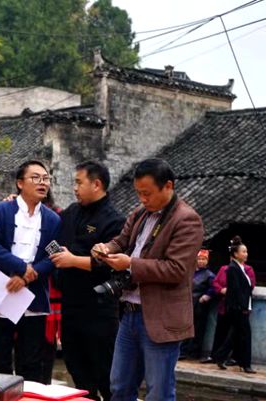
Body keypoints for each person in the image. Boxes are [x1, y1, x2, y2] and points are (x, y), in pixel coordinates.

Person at [92, 158, 204, 401]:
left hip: (161, 319)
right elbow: (121, 241)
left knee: (159, 392)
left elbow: (176, 269)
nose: (142, 199)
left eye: (147, 193)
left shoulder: (186, 219)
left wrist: (130, 264)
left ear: (168, 186)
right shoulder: (140, 213)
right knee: (119, 387)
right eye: (138, 193)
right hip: (130, 312)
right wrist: (105, 248)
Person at [48, 160, 125, 400]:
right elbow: (50, 232)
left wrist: (73, 260)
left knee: (106, 374)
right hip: (70, 306)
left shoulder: (114, 220)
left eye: (79, 182)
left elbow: (110, 262)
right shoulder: (71, 212)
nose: (75, 188)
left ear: (97, 184)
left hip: (99, 309)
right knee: (77, 371)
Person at [0, 159, 61, 383]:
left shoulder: (53, 220)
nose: (42, 183)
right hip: (2, 290)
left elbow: (54, 254)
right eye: (35, 178)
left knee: (32, 362)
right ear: (20, 183)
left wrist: (27, 277)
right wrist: (20, 268)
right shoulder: (0, 211)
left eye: (46, 179)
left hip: (33, 295)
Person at [212, 236, 256, 374]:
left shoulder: (242, 268)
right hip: (238, 308)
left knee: (235, 334)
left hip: (242, 306)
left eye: (246, 251)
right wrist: (243, 307)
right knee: (245, 335)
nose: (246, 254)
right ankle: (246, 364)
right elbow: (235, 291)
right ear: (236, 254)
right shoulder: (232, 269)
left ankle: (220, 356)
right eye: (243, 251)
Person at [180, 249, 215, 360]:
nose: (201, 261)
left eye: (204, 259)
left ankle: (194, 352)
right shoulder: (190, 272)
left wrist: (207, 295)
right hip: (188, 304)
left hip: (200, 305)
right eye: (199, 259)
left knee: (198, 329)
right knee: (185, 328)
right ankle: (183, 351)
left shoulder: (209, 275)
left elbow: (214, 287)